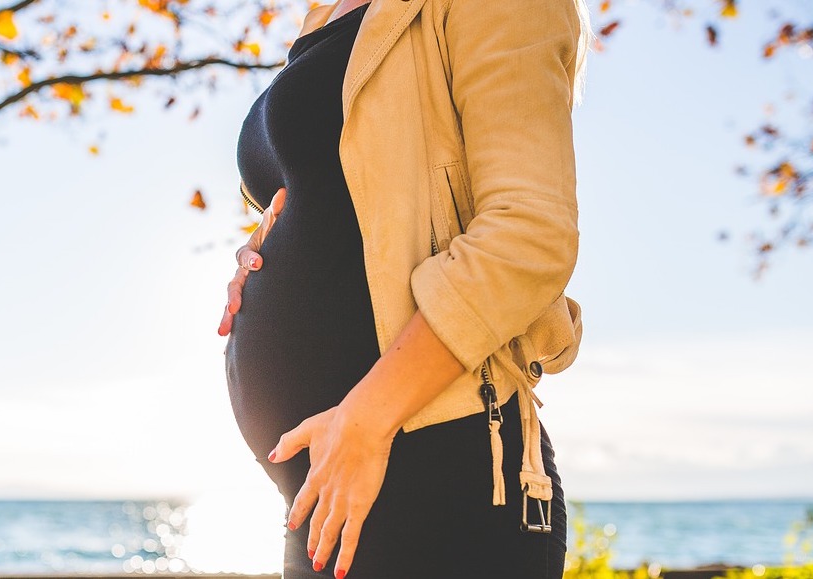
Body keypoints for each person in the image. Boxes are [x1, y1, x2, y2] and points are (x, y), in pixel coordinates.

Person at [218, 0, 592, 576]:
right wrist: (259, 248)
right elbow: (342, 196)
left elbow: (529, 233)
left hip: (436, 473)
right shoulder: (326, 16)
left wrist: (367, 418)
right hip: (325, 490)